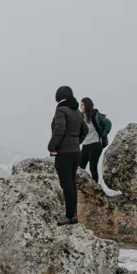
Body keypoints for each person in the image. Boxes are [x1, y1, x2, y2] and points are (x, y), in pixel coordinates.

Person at [48, 86, 88, 225]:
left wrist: (52, 147)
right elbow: (85, 130)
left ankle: (69, 216)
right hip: (76, 153)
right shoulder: (77, 112)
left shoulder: (61, 110)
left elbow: (59, 130)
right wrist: (77, 143)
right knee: (71, 184)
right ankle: (74, 215)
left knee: (66, 185)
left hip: (64, 153)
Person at [79, 97, 112, 183]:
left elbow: (108, 123)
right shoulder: (81, 117)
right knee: (80, 166)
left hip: (96, 144)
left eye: (82, 105)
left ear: (86, 105)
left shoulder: (96, 115)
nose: (80, 107)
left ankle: (96, 187)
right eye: (80, 105)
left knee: (92, 167)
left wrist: (103, 134)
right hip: (85, 144)